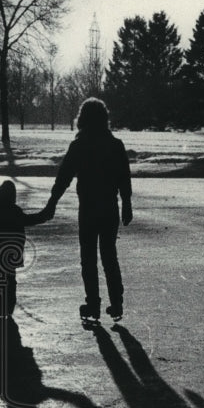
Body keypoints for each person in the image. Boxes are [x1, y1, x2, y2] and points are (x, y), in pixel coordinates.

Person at [44, 97, 132, 322]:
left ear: (82, 118)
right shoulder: (115, 145)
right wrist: (127, 204)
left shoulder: (79, 145)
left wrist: (52, 202)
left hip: (89, 209)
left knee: (89, 258)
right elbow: (124, 177)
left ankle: (93, 304)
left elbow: (64, 177)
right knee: (109, 256)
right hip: (109, 208)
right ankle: (116, 303)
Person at [0, 180, 50, 318]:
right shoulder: (15, 212)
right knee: (11, 279)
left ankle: (0, 307)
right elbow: (30, 220)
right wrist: (44, 216)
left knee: (0, 279)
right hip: (12, 252)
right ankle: (9, 307)